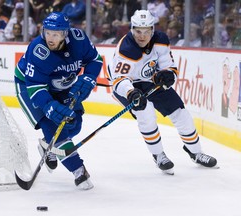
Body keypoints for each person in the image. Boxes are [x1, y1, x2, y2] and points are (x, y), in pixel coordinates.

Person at [108, 10, 217, 175]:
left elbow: (169, 66)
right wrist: (131, 93)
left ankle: (196, 152)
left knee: (181, 113)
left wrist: (168, 75)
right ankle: (158, 155)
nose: (142, 36)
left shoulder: (161, 40)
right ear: (132, 29)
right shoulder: (127, 48)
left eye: (146, 31)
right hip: (127, 85)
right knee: (146, 114)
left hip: (150, 81)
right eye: (138, 31)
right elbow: (119, 80)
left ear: (152, 29)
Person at [14, 12, 103, 189]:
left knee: (74, 124)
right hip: (29, 86)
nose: (50, 38)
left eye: (55, 34)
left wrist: (89, 77)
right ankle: (79, 171)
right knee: (54, 126)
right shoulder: (38, 50)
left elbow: (94, 59)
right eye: (47, 32)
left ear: (65, 33)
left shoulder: (78, 39)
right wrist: (48, 106)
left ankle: (48, 144)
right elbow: (35, 86)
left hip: (63, 86)